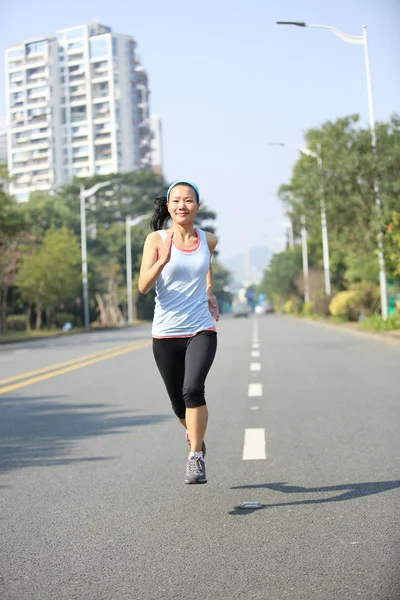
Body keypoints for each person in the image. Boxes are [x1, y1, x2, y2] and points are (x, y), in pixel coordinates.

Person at [138, 180, 219, 484]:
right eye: (176, 201)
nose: (182, 205)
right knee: (177, 402)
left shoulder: (208, 239)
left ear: (197, 206)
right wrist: (163, 260)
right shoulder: (156, 240)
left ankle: (195, 456)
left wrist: (209, 292)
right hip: (165, 333)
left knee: (192, 390)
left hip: (201, 328)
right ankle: (194, 435)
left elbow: (206, 264)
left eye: (188, 200)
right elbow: (143, 286)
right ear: (169, 206)